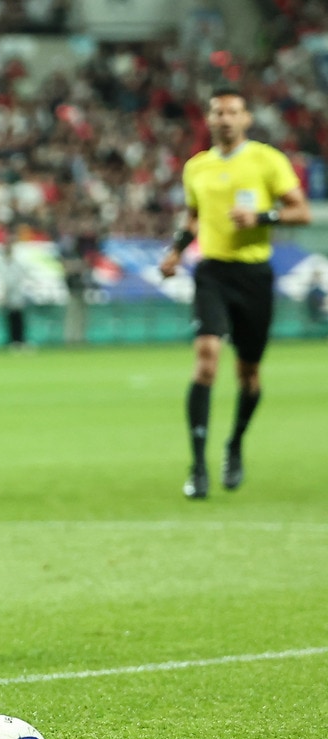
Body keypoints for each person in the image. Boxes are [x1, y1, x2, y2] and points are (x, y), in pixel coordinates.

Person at [158, 86, 309, 499]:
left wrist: (261, 215)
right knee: (206, 360)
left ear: (246, 119)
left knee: (248, 374)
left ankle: (235, 445)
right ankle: (198, 466)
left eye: (232, 112)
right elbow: (193, 218)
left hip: (255, 275)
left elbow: (301, 210)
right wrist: (174, 252)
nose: (224, 119)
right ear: (208, 119)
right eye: (217, 112)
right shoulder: (197, 168)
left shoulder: (267, 160)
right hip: (212, 272)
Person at [0, 236, 28, 348]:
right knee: (10, 320)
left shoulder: (16, 265)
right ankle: (12, 340)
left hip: (16, 296)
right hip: (9, 296)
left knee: (18, 320)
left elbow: (18, 279)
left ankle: (19, 340)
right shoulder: (3, 265)